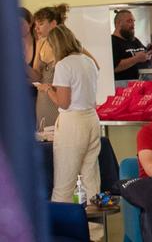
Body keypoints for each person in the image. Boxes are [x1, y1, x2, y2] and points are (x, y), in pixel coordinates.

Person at [36, 25, 102, 241]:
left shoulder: (64, 65)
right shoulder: (88, 61)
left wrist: (48, 90)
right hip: (92, 119)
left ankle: (60, 233)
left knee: (64, 182)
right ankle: (95, 233)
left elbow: (63, 102)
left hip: (72, 122)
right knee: (91, 178)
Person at [32, 6, 65, 130]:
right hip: (43, 98)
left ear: (53, 24)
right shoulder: (41, 43)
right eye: (35, 25)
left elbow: (93, 63)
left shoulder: (65, 44)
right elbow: (37, 74)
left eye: (40, 24)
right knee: (43, 135)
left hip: (59, 98)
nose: (36, 28)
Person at [112, 9, 152, 82]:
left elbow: (150, 64)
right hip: (124, 87)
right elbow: (114, 67)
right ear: (119, 23)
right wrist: (136, 59)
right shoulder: (112, 42)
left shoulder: (135, 40)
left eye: (133, 21)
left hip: (142, 85)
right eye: (129, 21)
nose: (133, 25)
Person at [20, 7, 37, 102]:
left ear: (30, 23)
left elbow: (41, 79)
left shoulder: (40, 44)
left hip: (37, 99)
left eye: (21, 23)